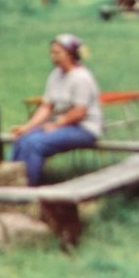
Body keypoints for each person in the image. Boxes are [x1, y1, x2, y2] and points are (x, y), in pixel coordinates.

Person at [8, 34, 102, 186]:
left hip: (84, 129)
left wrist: (57, 124)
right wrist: (26, 127)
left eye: (57, 53)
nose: (53, 57)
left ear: (70, 54)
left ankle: (29, 189)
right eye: (52, 52)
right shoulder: (55, 75)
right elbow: (46, 106)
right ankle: (10, 182)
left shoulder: (81, 77)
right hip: (63, 125)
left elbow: (80, 111)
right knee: (22, 140)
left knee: (35, 144)